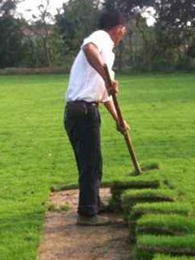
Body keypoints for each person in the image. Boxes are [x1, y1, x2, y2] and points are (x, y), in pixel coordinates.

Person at [63, 10, 129, 226]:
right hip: (82, 112)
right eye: (124, 29)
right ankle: (87, 214)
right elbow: (88, 48)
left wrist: (119, 119)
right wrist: (106, 75)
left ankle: (94, 203)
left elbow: (105, 94)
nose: (124, 33)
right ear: (118, 28)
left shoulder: (107, 55)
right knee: (91, 163)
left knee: (91, 162)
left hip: (82, 111)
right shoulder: (101, 38)